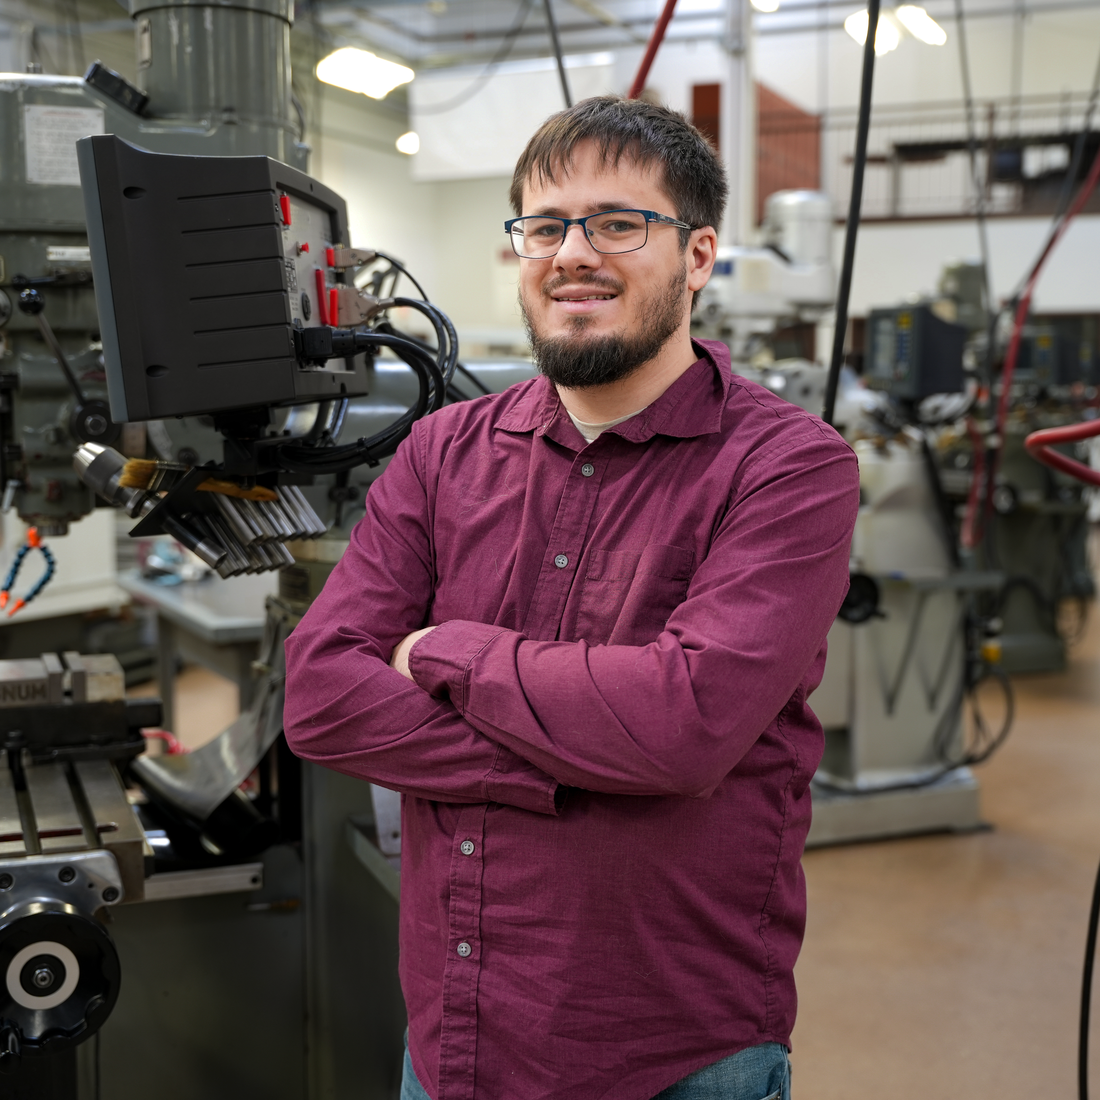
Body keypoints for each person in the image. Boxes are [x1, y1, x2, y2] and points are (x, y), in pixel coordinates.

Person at [283, 95, 859, 1100]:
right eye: (545, 226)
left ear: (697, 254)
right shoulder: (442, 451)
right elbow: (321, 697)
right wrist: (582, 760)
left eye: (617, 223)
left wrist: (446, 652)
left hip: (673, 1053)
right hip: (457, 1038)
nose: (571, 253)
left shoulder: (788, 467)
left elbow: (683, 724)